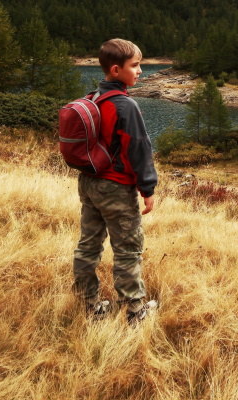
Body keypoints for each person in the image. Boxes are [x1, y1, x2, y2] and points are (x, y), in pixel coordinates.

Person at [71, 38, 159, 326]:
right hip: (115, 187)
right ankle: (134, 312)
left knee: (88, 245)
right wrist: (148, 188)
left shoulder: (93, 98)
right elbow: (139, 148)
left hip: (89, 183)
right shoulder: (125, 105)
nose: (140, 71)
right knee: (127, 249)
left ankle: (88, 305)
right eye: (135, 65)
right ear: (116, 70)